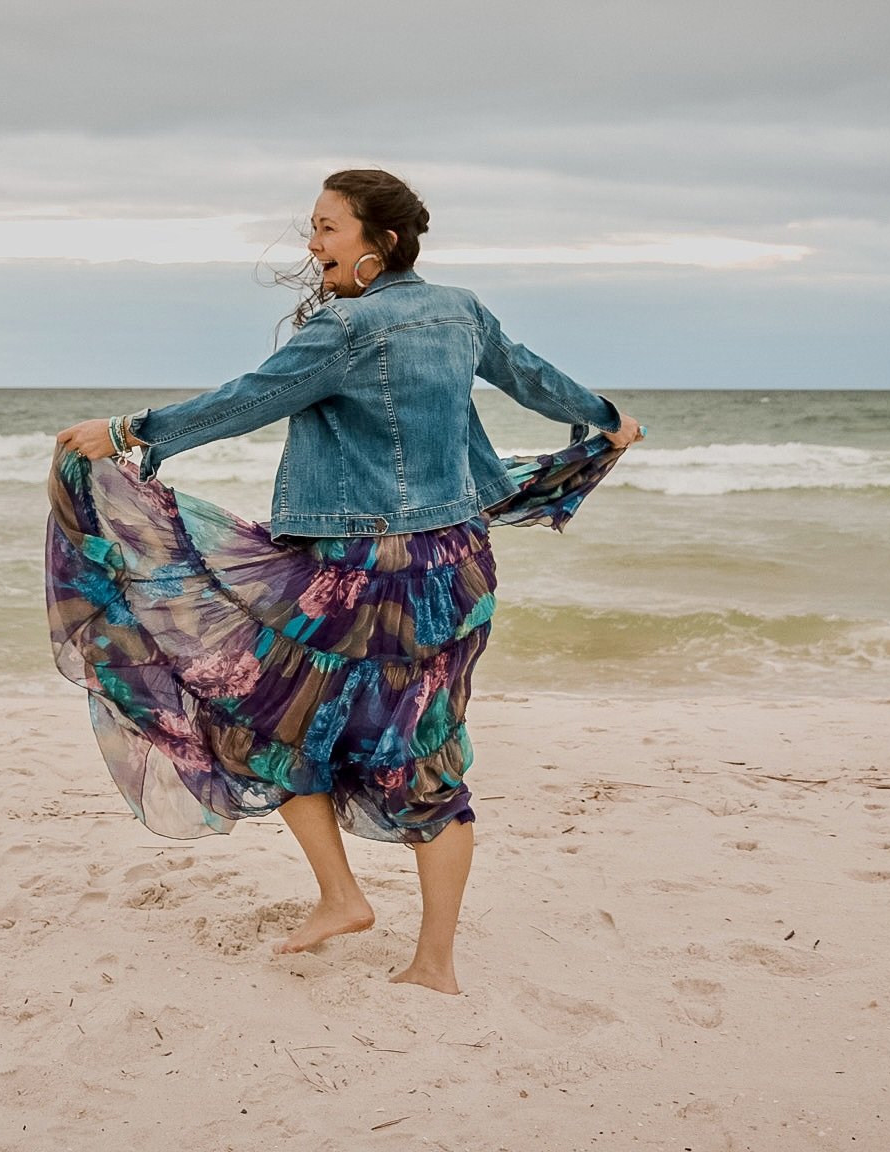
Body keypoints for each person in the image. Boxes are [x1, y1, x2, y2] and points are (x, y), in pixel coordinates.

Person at [47, 168, 645, 994]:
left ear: (380, 242)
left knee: (269, 715)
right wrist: (610, 417)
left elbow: (248, 400)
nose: (313, 243)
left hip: (363, 570)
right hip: (458, 568)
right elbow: (536, 380)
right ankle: (408, 946)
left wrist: (129, 432)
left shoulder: (347, 329)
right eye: (314, 227)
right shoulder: (460, 311)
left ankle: (355, 906)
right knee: (422, 748)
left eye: (328, 228)